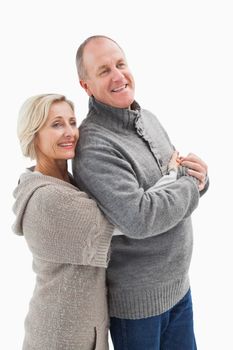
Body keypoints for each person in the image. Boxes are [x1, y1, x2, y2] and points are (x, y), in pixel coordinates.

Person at [72, 35, 209, 350]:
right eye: (104, 70)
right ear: (86, 85)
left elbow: (178, 176)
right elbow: (140, 217)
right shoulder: (95, 145)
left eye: (120, 64)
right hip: (139, 309)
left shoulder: (147, 118)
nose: (119, 76)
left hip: (179, 289)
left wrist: (199, 178)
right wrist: (190, 184)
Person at [12, 93, 114, 350]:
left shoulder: (68, 181)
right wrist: (177, 179)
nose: (70, 132)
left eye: (72, 122)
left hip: (80, 329)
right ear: (34, 134)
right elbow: (130, 219)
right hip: (60, 336)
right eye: (57, 124)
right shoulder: (49, 198)